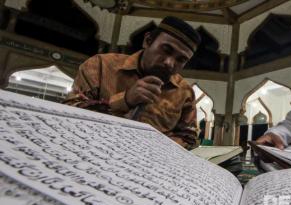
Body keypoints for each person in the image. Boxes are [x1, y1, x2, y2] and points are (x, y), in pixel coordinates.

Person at [63, 16, 201, 149]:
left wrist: (161, 149)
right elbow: (69, 110)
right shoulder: (100, 65)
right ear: (148, 41)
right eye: (165, 50)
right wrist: (125, 100)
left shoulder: (184, 92)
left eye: (181, 60)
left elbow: (189, 136)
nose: (169, 63)